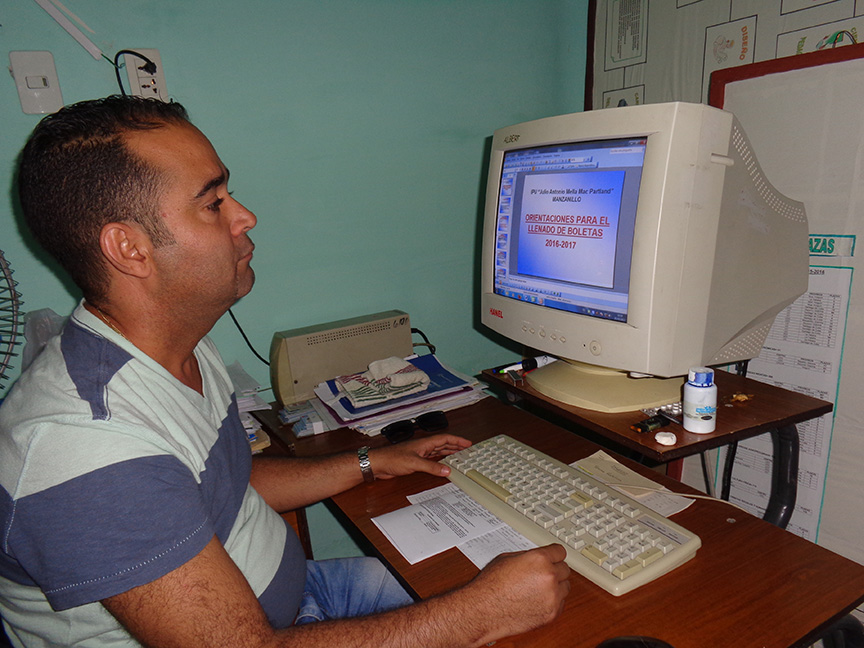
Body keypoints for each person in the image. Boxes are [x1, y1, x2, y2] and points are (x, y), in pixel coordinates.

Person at [0, 95, 570, 648]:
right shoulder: (84, 446)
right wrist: (476, 614)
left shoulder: (174, 348)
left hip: (297, 604)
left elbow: (222, 483)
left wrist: (368, 462)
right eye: (213, 201)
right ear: (130, 248)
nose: (245, 215)